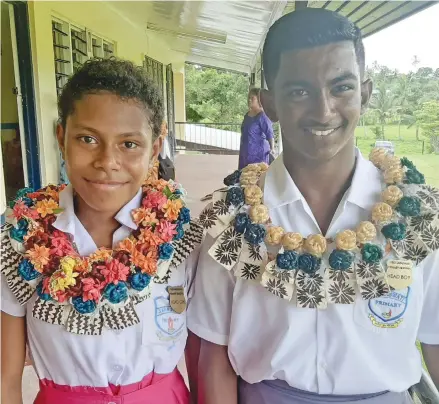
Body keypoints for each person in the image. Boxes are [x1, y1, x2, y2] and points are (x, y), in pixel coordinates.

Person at [188, 8, 439, 404]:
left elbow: (436, 340)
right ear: (269, 104)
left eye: (341, 87)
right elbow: (214, 358)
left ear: (366, 93)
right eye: (299, 91)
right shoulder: (230, 219)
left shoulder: (418, 216)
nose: (324, 111)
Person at [1, 58, 203, 404]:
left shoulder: (181, 237)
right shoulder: (20, 239)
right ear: (61, 137)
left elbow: (204, 361)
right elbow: (5, 378)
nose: (107, 162)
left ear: (154, 148)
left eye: (129, 144)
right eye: (87, 139)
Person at [238, 87, 275, 170]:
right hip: (245, 153)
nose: (249, 100)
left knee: (256, 177)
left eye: (252, 98)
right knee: (245, 177)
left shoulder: (262, 116)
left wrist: (272, 149)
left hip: (259, 155)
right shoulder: (247, 115)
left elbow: (270, 134)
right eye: (249, 98)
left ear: (259, 100)